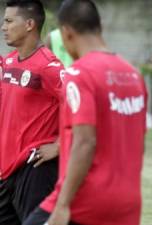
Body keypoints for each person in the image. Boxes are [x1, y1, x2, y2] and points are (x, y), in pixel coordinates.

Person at [23, 0, 148, 224]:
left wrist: (62, 206)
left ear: (66, 33)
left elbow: (85, 142)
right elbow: (138, 143)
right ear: (99, 27)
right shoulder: (134, 76)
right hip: (128, 204)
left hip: (84, 202)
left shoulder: (79, 74)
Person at [0, 0, 63, 224]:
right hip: (6, 171)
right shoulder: (7, 63)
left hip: (35, 169)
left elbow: (82, 106)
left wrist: (59, 145)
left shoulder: (49, 67)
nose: (3, 27)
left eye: (8, 21)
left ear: (29, 24)